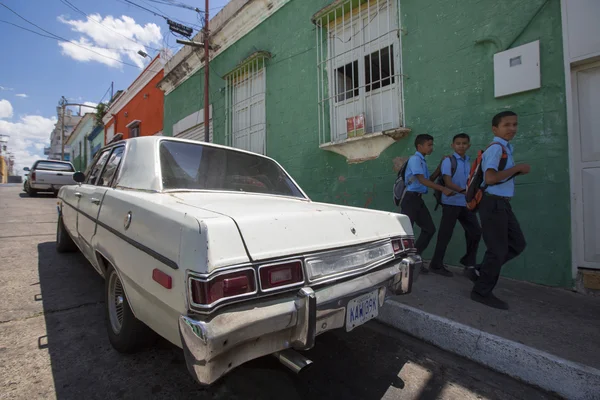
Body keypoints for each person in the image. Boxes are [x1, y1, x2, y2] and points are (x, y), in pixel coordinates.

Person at [470, 111, 530, 310]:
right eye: (507, 125)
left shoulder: (506, 148)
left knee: (517, 243)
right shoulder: (496, 149)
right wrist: (517, 168)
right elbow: (490, 178)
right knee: (497, 250)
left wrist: (515, 171)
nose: (512, 128)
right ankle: (481, 291)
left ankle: (480, 271)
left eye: (515, 124)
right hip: (492, 203)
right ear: (495, 129)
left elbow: (499, 177)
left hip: (502, 203)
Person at [401, 134, 455, 273]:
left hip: (417, 199)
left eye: (432, 144)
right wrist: (443, 188)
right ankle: (403, 264)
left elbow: (428, 179)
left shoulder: (422, 161)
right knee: (407, 233)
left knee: (429, 229)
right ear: (420, 146)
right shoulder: (414, 159)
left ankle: (413, 260)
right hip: (410, 199)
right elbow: (422, 180)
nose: (432, 147)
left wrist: (439, 167)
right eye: (429, 145)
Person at [429, 133, 481, 277]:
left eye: (464, 143)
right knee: (445, 234)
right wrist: (465, 192)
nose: (461, 146)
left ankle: (469, 262)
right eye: (458, 143)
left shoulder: (469, 161)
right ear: (453, 145)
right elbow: (448, 182)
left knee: (475, 232)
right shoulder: (448, 161)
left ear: (468, 146)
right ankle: (436, 264)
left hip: (465, 203)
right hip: (451, 203)